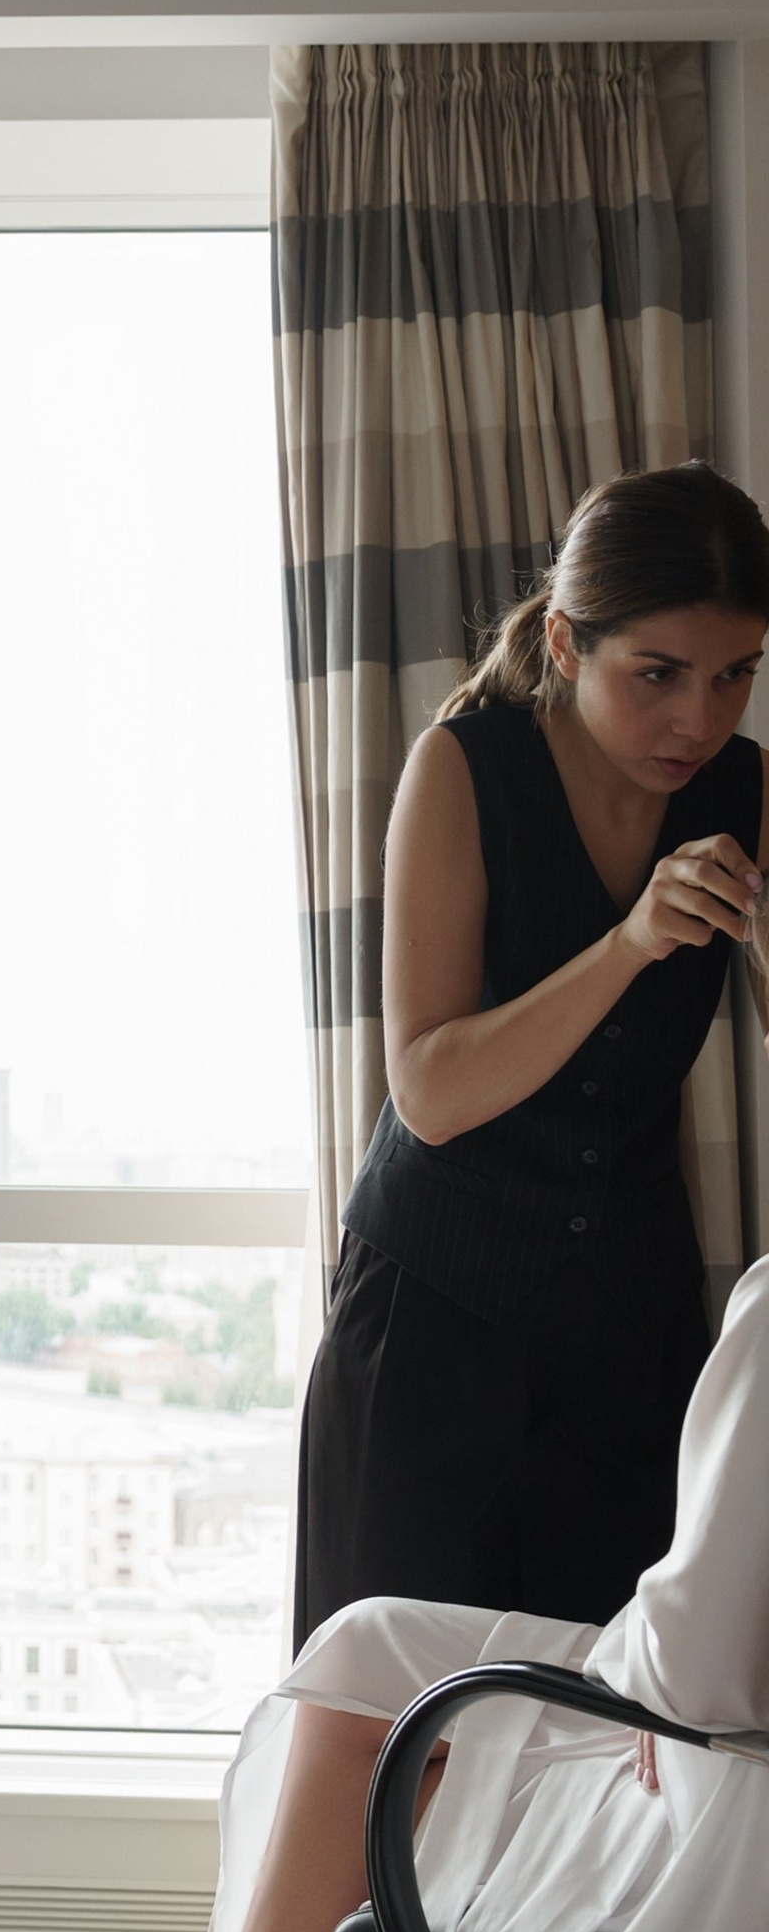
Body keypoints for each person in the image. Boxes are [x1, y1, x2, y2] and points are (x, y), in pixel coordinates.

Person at [74, 1246, 769, 1932]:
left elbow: (701, 1665)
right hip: (734, 1733)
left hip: (729, 1787)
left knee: (381, 1752)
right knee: (367, 1651)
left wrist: (644, 1673)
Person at [295, 462, 769, 1648]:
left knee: (606, 1740)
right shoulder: (463, 767)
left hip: (633, 1337)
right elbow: (432, 1091)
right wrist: (628, 944)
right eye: (655, 673)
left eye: (736, 676)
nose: (698, 720)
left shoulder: (749, 788)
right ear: (565, 640)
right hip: (433, 1324)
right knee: (389, 1739)